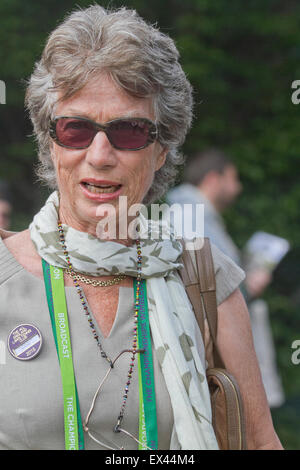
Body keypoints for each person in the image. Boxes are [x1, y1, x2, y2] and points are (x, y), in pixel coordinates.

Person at [0, 5, 282, 450]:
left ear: (162, 149)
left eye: (129, 131)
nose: (99, 154)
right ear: (50, 141)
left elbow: (260, 443)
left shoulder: (204, 277)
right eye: (75, 129)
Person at [167, 149, 285, 408]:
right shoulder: (190, 216)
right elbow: (204, 286)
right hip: (214, 354)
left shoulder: (192, 213)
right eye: (233, 178)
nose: (238, 187)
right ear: (212, 179)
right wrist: (249, 288)